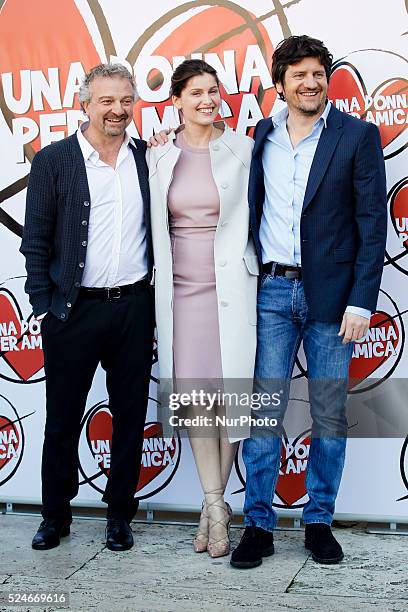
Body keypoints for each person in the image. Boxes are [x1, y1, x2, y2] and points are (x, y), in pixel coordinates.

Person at [229, 35, 387, 569]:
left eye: (318, 72)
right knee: (265, 413)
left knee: (328, 414)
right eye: (298, 74)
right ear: (281, 84)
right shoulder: (260, 136)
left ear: (328, 79)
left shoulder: (357, 136)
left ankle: (319, 521)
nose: (311, 82)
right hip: (270, 290)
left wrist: (362, 301)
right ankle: (258, 524)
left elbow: (372, 224)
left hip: (333, 298)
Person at [20, 64, 154, 552]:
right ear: (85, 104)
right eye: (106, 101)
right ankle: (55, 515)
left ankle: (120, 515)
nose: (117, 110)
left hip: (134, 307)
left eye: (125, 100)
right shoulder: (54, 161)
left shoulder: (148, 158)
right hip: (72, 311)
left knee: (130, 418)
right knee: (61, 420)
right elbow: (35, 241)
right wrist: (43, 307)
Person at [148, 59, 258, 558]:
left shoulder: (244, 149)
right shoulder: (156, 157)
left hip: (233, 288)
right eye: (195, 92)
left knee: (230, 395)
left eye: (213, 91)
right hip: (181, 294)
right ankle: (217, 504)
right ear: (176, 100)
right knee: (195, 402)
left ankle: (212, 508)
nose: (207, 100)